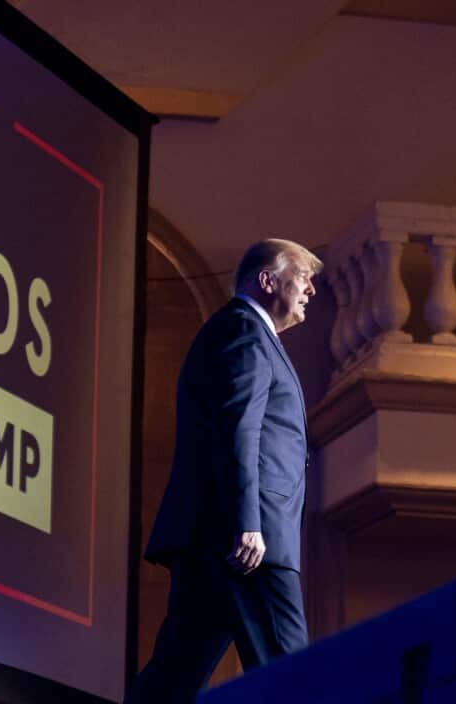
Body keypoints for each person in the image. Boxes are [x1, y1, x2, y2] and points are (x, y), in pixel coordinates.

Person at [127, 239, 321, 703]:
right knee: (291, 674)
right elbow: (240, 428)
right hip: (247, 540)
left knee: (172, 680)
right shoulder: (244, 333)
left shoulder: (240, 332)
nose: (311, 290)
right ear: (267, 280)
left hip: (215, 538)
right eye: (303, 277)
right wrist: (247, 523)